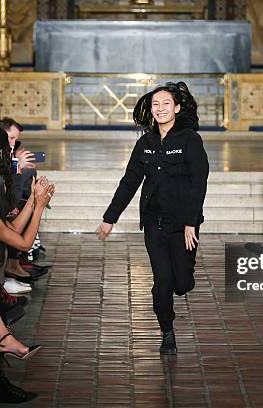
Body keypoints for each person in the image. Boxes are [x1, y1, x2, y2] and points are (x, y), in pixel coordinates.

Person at [96, 82, 209, 355]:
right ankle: (167, 330)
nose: (160, 109)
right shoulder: (144, 143)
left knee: (181, 282)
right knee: (162, 281)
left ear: (177, 108)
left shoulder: (189, 140)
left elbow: (199, 183)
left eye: (166, 103)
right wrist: (110, 218)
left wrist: (191, 223)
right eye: (155, 104)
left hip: (183, 225)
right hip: (154, 225)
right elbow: (129, 182)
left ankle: (178, 285)